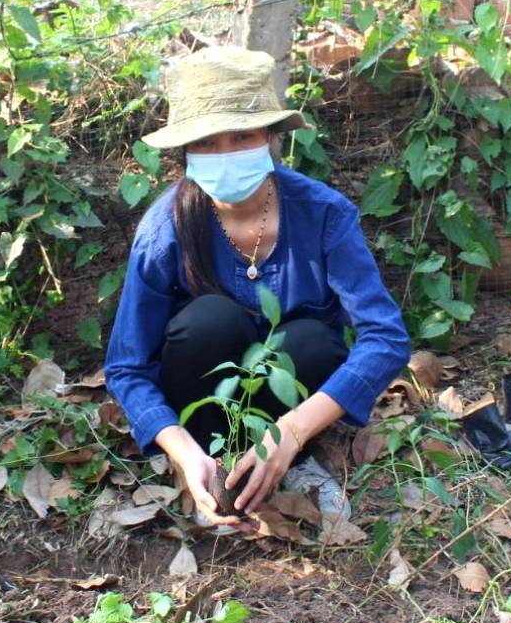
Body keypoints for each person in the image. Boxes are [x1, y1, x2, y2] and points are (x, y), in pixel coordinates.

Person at [105, 46, 410, 526]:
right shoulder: (165, 228)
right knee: (210, 321)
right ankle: (213, 462)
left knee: (309, 339)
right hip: (201, 406)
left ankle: (298, 459)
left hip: (293, 406)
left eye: (241, 136)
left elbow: (386, 338)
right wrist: (181, 449)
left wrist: (290, 431)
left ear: (270, 137)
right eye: (206, 142)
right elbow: (126, 366)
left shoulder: (323, 214)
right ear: (184, 151)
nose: (224, 155)